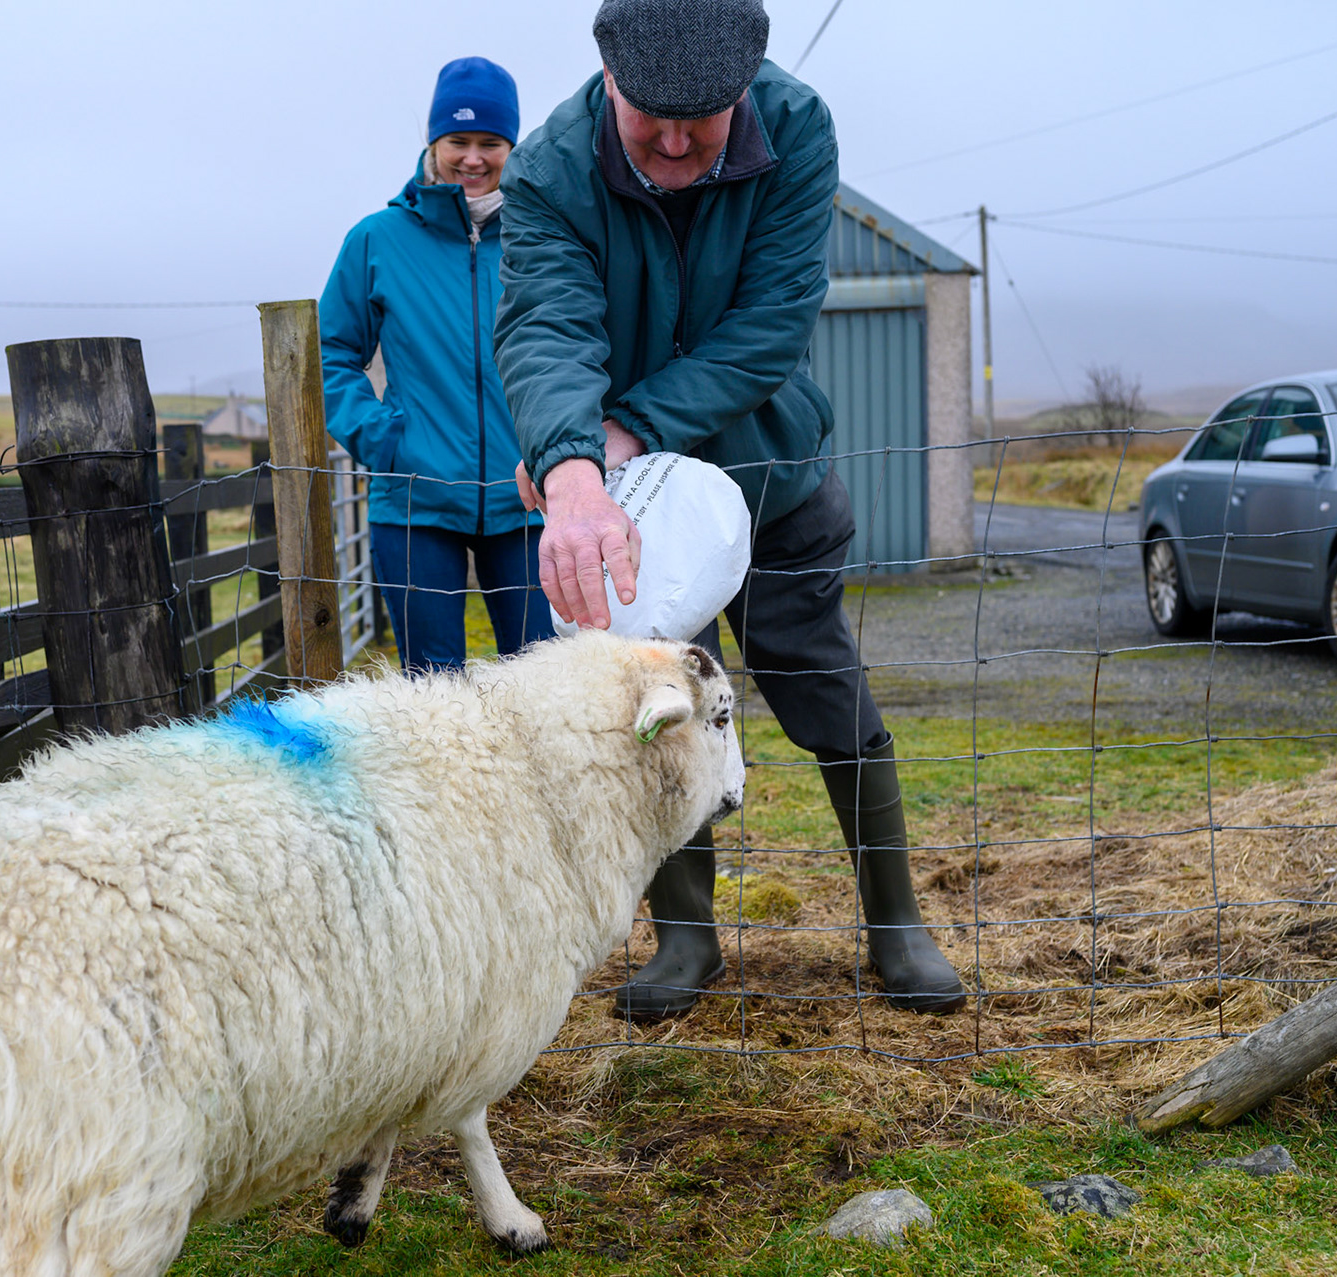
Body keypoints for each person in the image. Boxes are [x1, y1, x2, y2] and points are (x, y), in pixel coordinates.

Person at [495, 0, 967, 1018]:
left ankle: (897, 924)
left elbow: (771, 324)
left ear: (745, 85)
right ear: (609, 78)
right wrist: (574, 467)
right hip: (635, 519)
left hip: (774, 478)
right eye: (647, 115)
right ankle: (687, 938)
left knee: (827, 693)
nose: (672, 142)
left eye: (701, 119)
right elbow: (546, 324)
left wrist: (623, 427)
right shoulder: (547, 170)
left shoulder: (798, 130)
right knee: (652, 713)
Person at [320, 56, 556, 672]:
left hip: (529, 499)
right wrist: (382, 438)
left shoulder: (545, 236)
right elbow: (332, 353)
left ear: (512, 145)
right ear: (433, 141)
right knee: (433, 695)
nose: (473, 158)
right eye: (458, 141)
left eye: (490, 142)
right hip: (415, 502)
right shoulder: (377, 240)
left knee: (543, 688)